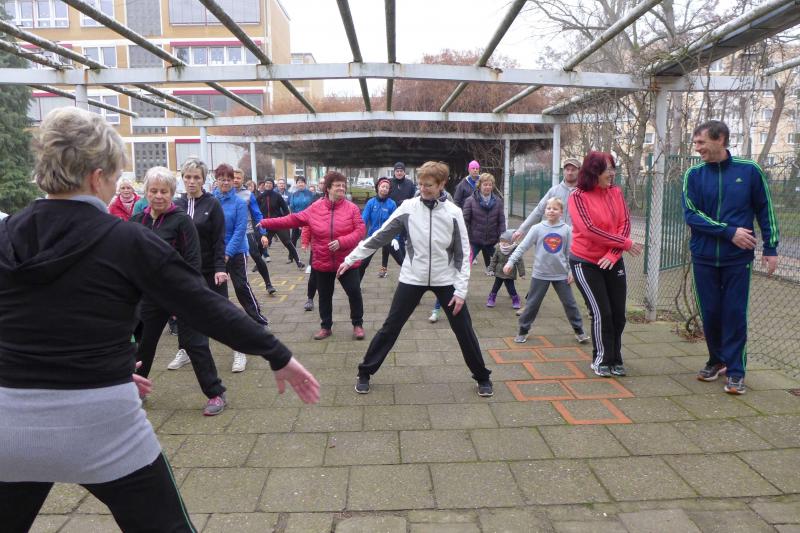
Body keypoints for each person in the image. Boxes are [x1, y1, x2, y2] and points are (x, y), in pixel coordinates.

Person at [0, 107, 319, 533]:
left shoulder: (5, 234)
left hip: (10, 425)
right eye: (115, 177)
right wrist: (276, 353)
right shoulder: (126, 239)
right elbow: (202, 304)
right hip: (101, 421)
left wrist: (100, 365)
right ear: (96, 177)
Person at [337, 161, 494, 397]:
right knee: (391, 327)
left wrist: (461, 290)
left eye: (428, 185)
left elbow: (463, 255)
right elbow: (380, 235)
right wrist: (351, 258)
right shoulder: (408, 207)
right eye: (420, 184)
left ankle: (482, 376)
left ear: (441, 184)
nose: (422, 189)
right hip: (412, 277)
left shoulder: (453, 212)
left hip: (445, 279)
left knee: (464, 330)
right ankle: (365, 372)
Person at [683, 120, 779, 395]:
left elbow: (765, 209)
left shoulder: (749, 171)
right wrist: (728, 231)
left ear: (720, 139)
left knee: (734, 314)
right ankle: (717, 360)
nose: (697, 147)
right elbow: (691, 214)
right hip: (703, 257)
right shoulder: (693, 174)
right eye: (695, 142)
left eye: (701, 142)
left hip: (738, 259)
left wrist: (771, 247)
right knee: (711, 313)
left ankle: (736, 372)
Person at [131, 167, 229, 416]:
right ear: (146, 192)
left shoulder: (182, 221)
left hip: (182, 294)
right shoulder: (138, 221)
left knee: (195, 343)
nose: (158, 196)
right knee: (143, 344)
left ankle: (215, 393)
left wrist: (183, 297)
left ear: (172, 193)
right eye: (154, 191)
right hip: (150, 296)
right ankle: (136, 390)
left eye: (164, 191)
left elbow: (193, 263)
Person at [261, 171, 366, 340]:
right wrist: (266, 222)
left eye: (343, 185)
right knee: (324, 296)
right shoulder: (315, 208)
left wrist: (342, 242)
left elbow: (360, 230)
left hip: (346, 260)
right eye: (337, 185)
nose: (341, 188)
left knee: (354, 292)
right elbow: (292, 219)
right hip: (322, 260)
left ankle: (357, 324)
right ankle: (326, 327)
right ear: (328, 188)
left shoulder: (352, 208)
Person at [567, 151, 643, 378]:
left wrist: (614, 253)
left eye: (613, 168)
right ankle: (601, 359)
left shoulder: (615, 192)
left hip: (612, 260)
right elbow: (589, 230)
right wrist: (626, 244)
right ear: (594, 171)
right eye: (607, 169)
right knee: (602, 313)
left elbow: (624, 223)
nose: (612, 173)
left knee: (618, 314)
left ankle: (615, 358)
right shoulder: (577, 196)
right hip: (585, 262)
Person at [169, 157, 228, 371]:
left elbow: (219, 238)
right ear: (182, 178)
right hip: (185, 270)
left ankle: (240, 349)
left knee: (222, 313)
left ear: (203, 180)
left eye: (196, 177)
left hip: (210, 269)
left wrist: (220, 268)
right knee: (185, 313)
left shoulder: (212, 204)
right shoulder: (176, 204)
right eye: (188, 177)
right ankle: (184, 350)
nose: (192, 181)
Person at [505, 198, 589, 344]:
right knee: (532, 304)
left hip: (561, 275)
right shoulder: (537, 228)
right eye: (549, 208)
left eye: (555, 209)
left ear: (561, 212)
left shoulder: (566, 230)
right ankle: (523, 330)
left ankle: (579, 331)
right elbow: (522, 247)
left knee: (570, 303)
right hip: (540, 274)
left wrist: (571, 271)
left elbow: (571, 252)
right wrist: (511, 262)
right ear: (545, 211)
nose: (551, 211)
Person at [214, 163, 270, 373]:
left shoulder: (240, 201)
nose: (226, 182)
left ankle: (258, 320)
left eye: (229, 179)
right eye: (222, 179)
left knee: (241, 286)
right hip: (216, 252)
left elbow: (240, 230)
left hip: (237, 251)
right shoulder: (211, 200)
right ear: (216, 180)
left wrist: (228, 252)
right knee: (218, 293)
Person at [512, 157, 581, 241]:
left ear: (579, 171)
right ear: (563, 171)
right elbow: (538, 210)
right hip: (554, 238)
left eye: (573, 170)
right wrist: (521, 229)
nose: (570, 172)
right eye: (567, 169)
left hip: (575, 240)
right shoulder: (554, 191)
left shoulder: (584, 192)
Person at [233, 168, 276, 296]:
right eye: (233, 177)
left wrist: (263, 234)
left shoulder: (248, 194)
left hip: (246, 231)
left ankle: (268, 284)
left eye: (238, 178)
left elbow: (257, 215)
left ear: (243, 179)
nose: (235, 180)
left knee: (256, 256)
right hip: (229, 233)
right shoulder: (221, 193)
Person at [359, 177, 404, 279]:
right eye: (382, 186)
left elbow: (396, 223)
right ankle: (356, 286)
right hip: (373, 237)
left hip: (388, 237)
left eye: (387, 187)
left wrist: (396, 238)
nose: (384, 189)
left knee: (401, 261)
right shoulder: (371, 203)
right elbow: (363, 221)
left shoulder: (392, 204)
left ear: (389, 190)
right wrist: (360, 237)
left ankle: (412, 281)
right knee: (363, 263)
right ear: (378, 188)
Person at [462, 172, 506, 275]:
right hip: (475, 240)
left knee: (503, 265)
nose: (488, 187)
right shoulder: (470, 201)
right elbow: (464, 221)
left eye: (490, 185)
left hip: (491, 240)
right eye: (485, 184)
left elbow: (501, 221)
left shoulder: (498, 202)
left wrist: (503, 238)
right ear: (479, 185)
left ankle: (493, 273)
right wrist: (463, 237)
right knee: (465, 264)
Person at [258, 178, 304, 269]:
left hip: (278, 223)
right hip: (267, 224)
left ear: (273, 185)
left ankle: (298, 261)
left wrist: (287, 221)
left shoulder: (277, 196)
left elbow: (285, 209)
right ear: (264, 185)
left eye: (270, 183)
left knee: (287, 242)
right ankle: (258, 263)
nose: (268, 185)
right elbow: (256, 211)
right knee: (262, 244)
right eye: (266, 183)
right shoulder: (260, 197)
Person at [487, 230, 524, 308]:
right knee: (496, 287)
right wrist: (491, 269)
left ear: (511, 241)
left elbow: (519, 262)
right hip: (499, 272)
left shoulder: (515, 249)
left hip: (509, 272)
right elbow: (494, 260)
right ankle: (491, 299)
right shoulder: (498, 248)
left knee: (511, 288)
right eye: (502, 241)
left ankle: (516, 300)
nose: (503, 243)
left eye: (506, 241)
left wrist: (522, 273)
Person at [288, 176, 315, 258]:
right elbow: (292, 207)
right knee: (293, 238)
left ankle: (313, 257)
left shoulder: (310, 194)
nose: (300, 184)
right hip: (297, 218)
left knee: (311, 238)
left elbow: (313, 206)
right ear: (296, 184)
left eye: (302, 182)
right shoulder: (294, 194)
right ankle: (291, 256)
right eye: (299, 182)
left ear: (305, 184)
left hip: (308, 219)